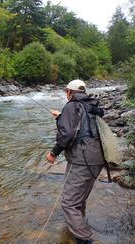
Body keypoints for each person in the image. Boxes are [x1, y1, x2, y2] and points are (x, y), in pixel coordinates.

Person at [46, 79, 105, 244]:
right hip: (99, 158)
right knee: (79, 198)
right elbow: (82, 127)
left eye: (66, 91)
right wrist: (61, 117)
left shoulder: (72, 106)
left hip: (82, 159)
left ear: (69, 92)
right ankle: (78, 225)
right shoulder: (91, 105)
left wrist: (53, 153)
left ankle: (84, 238)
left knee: (69, 203)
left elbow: (67, 134)